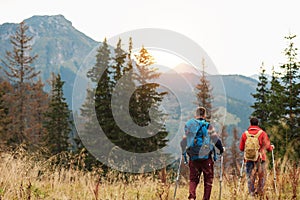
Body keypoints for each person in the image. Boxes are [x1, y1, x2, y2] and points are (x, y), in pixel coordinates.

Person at [181, 107, 224, 200]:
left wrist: (184, 151)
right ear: (204, 115)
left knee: (193, 179)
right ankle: (206, 198)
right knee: (208, 180)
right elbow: (215, 139)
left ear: (195, 115)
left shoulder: (190, 126)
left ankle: (192, 197)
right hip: (206, 158)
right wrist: (221, 149)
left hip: (193, 157)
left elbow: (184, 140)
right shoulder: (208, 126)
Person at [239, 117, 274, 196]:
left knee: (250, 177)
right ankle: (260, 192)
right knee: (262, 176)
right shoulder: (262, 133)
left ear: (250, 124)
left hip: (248, 158)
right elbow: (268, 147)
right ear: (258, 124)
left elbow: (241, 148)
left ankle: (251, 194)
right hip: (260, 158)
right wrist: (271, 147)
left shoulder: (245, 134)